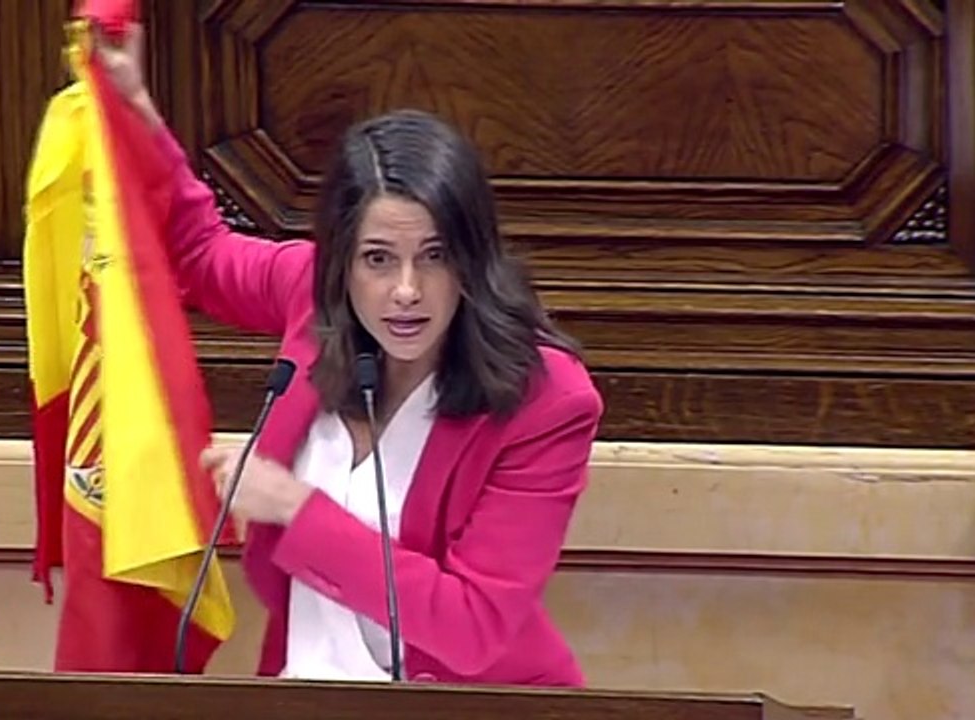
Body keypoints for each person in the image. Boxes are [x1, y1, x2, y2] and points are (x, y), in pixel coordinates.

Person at [94, 23, 604, 687]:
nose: (406, 292)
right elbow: (198, 252)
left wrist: (294, 506)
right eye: (377, 259)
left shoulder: (546, 399)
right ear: (342, 262)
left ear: (472, 261)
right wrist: (133, 108)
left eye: (435, 257)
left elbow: (473, 624)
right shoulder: (312, 297)